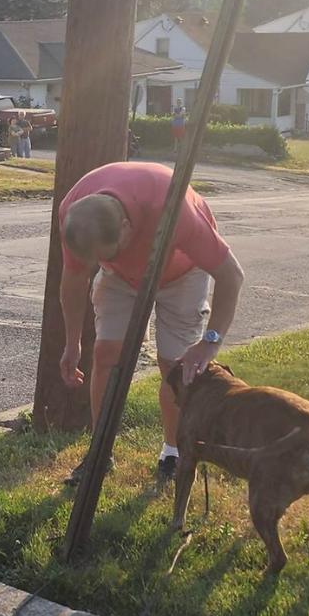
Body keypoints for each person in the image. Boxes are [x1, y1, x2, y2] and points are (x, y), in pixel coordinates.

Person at [55, 161, 246, 482]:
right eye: (99, 260)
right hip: (121, 280)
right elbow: (73, 278)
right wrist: (72, 340)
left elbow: (232, 276)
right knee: (105, 354)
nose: (105, 262)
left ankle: (172, 452)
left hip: (182, 272)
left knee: (176, 366)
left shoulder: (174, 211)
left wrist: (210, 342)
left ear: (127, 226)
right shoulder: (75, 213)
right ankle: (100, 453)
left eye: (110, 253)